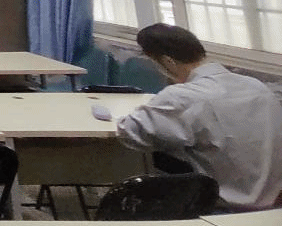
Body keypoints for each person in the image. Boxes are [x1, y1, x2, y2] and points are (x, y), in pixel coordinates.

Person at [115, 23, 282, 210]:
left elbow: (130, 131)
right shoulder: (257, 87)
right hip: (272, 205)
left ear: (168, 62)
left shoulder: (183, 96)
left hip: (219, 206)